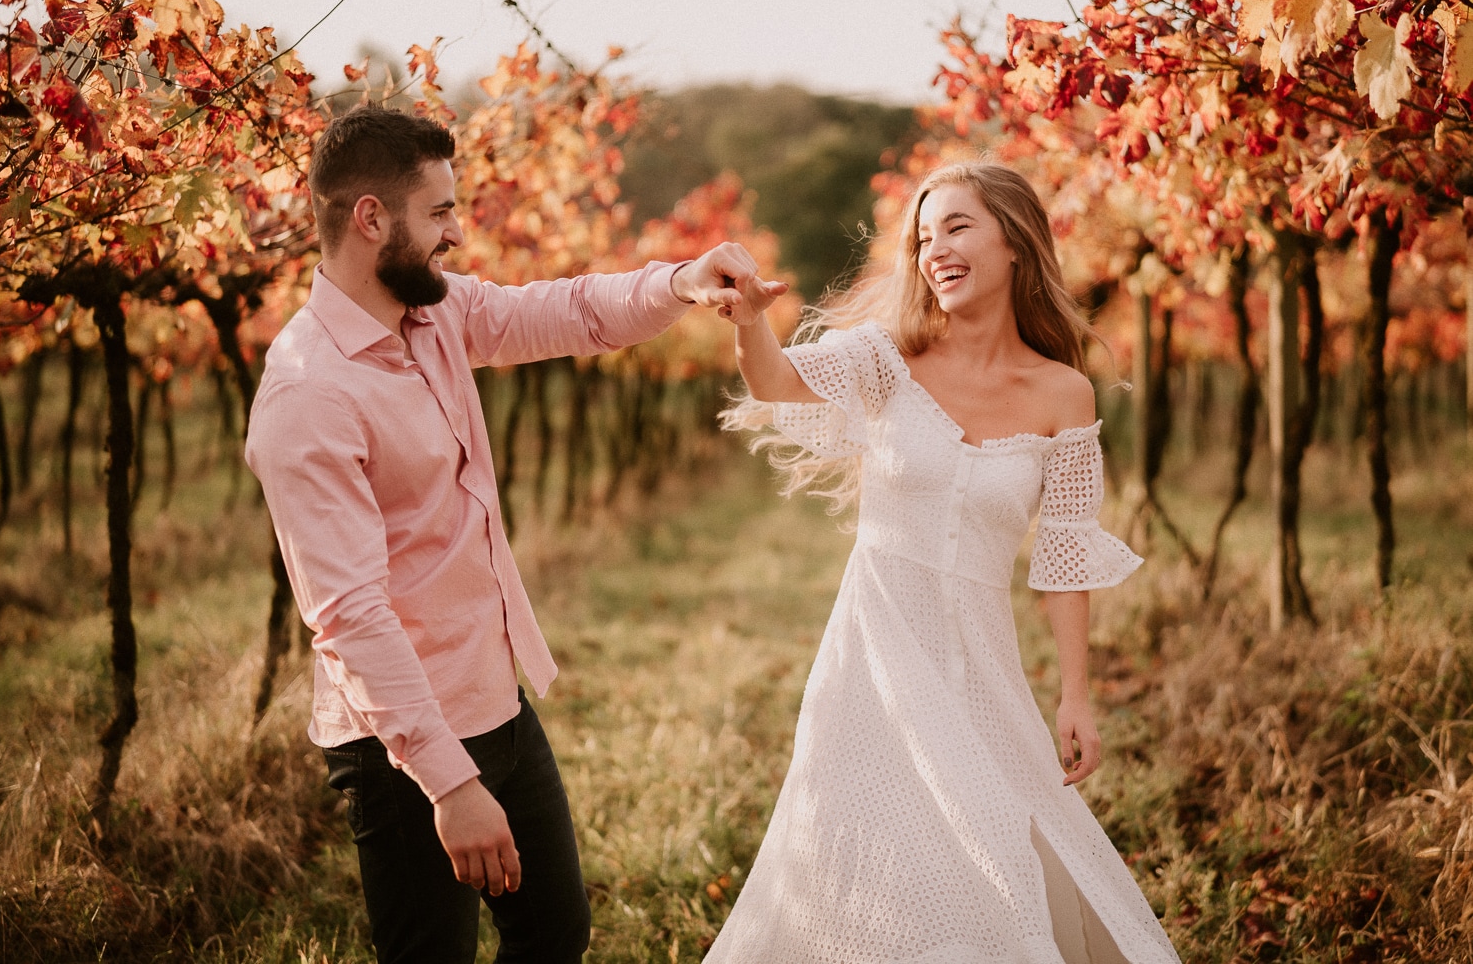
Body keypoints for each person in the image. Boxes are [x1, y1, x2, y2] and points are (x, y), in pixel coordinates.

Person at [244, 103, 783, 964]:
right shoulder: (309, 396)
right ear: (371, 219)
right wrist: (450, 786)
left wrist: (682, 281)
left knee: (554, 932)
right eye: (440, 213)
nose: (457, 233)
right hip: (402, 746)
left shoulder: (434, 315)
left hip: (494, 698)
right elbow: (348, 616)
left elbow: (570, 310)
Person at [706, 161, 1182, 963]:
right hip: (872, 663)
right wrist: (751, 323)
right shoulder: (885, 358)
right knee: (870, 853)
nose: (936, 251)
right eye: (924, 238)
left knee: (996, 846)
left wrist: (1075, 694)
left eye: (957, 227)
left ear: (1015, 242)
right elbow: (777, 380)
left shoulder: (1065, 394)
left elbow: (1064, 561)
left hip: (983, 673)